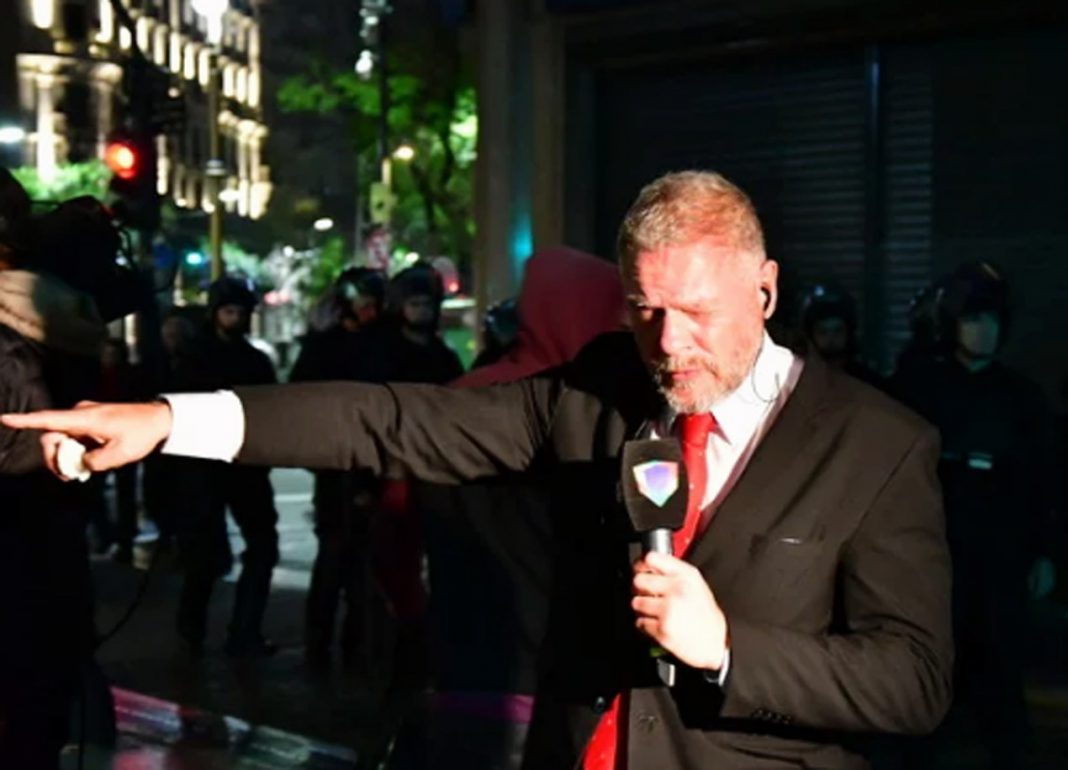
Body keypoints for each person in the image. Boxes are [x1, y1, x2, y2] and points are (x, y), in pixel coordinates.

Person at [6, 171, 953, 770]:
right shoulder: (598, 386)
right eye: (644, 309)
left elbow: (912, 681)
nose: (669, 344)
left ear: (767, 287)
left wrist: (727, 648)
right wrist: (170, 418)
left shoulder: (878, 443)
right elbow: (394, 418)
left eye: (698, 312)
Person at [393, 246, 627, 770]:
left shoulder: (460, 400)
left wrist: (416, 620)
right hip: (561, 691)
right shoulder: (596, 419)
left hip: (460, 671)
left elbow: (395, 532)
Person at [891, 261, 1061, 770]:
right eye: (971, 319)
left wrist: (1046, 553)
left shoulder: (1022, 398)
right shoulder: (921, 387)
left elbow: (1045, 482)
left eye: (989, 320)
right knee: (932, 675)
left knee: (1002, 677)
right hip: (936, 558)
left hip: (1001, 558)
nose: (981, 331)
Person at [171, 276, 280, 657]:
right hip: (207, 468)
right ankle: (192, 628)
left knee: (262, 547)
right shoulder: (195, 358)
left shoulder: (254, 361)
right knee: (205, 557)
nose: (236, 319)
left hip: (246, 466)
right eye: (229, 311)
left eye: (241, 312)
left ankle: (244, 630)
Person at [290, 267, 387, 669]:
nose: (369, 310)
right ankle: (320, 642)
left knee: (367, 562)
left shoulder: (383, 343)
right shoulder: (325, 347)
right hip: (335, 466)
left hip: (374, 463)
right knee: (334, 556)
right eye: (363, 302)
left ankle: (357, 644)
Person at [797, 282, 883, 388]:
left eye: (837, 331)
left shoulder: (868, 382)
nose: (831, 339)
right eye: (823, 332)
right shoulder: (796, 382)